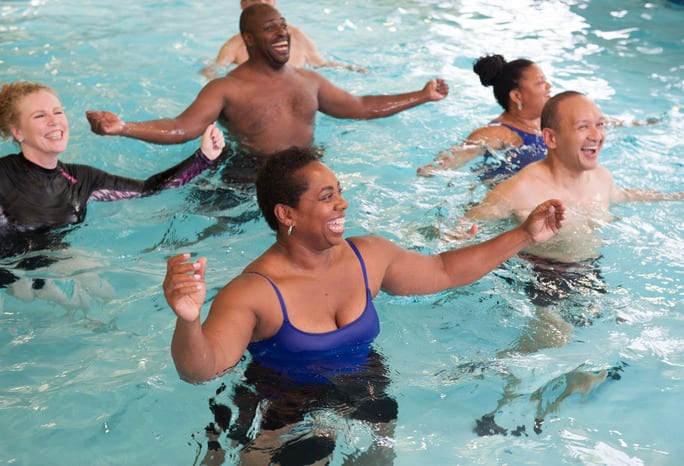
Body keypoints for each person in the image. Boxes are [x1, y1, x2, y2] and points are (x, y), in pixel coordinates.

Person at [162, 146, 565, 462]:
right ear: (287, 214)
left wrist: (526, 234)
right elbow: (202, 370)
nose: (343, 204)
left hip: (365, 385)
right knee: (311, 452)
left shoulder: (368, 256)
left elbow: (443, 270)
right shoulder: (253, 291)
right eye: (326, 197)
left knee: (376, 460)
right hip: (282, 406)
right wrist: (188, 320)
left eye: (339, 192)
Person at [452, 90, 683, 436]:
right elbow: (467, 222)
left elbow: (626, 195)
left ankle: (550, 405)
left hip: (588, 272)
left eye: (600, 124)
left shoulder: (602, 178)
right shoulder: (522, 188)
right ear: (551, 138)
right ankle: (501, 410)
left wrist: (674, 195)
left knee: (598, 363)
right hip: (536, 274)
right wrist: (455, 233)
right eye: (584, 126)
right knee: (555, 337)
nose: (597, 134)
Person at [86, 3, 448, 183]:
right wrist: (124, 127)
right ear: (248, 40)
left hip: (307, 165)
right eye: (270, 30)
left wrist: (421, 94)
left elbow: (359, 107)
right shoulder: (227, 88)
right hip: (249, 173)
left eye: (283, 27)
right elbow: (184, 127)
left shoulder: (309, 80)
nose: (282, 35)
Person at [0, 81, 225, 311]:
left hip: (45, 263)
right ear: (17, 132)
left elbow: (148, 189)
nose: (54, 122)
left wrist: (203, 158)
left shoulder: (81, 179)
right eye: (40, 116)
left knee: (107, 292)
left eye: (58, 112)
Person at [418, 55, 551, 185]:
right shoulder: (498, 133)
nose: (548, 86)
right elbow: (459, 155)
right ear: (516, 96)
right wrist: (435, 168)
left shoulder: (547, 123)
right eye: (540, 82)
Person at [200, 0, 366, 79]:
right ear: (243, 4)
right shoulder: (235, 45)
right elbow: (214, 71)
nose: (262, 2)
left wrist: (350, 68)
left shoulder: (298, 37)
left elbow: (321, 64)